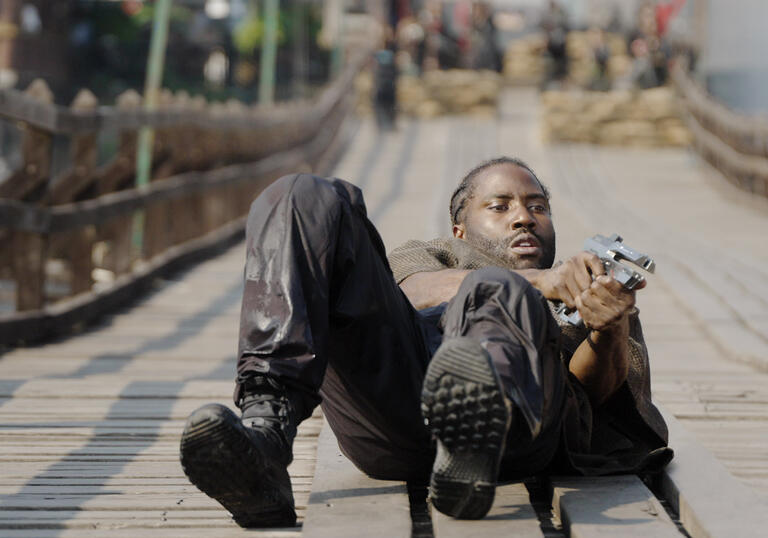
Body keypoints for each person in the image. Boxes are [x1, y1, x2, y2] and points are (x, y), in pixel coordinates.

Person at [179, 157, 672, 527]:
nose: (523, 217)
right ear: (460, 229)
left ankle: (472, 444)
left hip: (514, 437)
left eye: (537, 207)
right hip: (393, 415)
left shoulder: (594, 284)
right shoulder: (430, 253)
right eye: (499, 207)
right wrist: (535, 282)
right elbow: (413, 293)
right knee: (299, 193)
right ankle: (267, 434)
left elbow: (590, 398)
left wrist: (608, 327)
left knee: (499, 290)